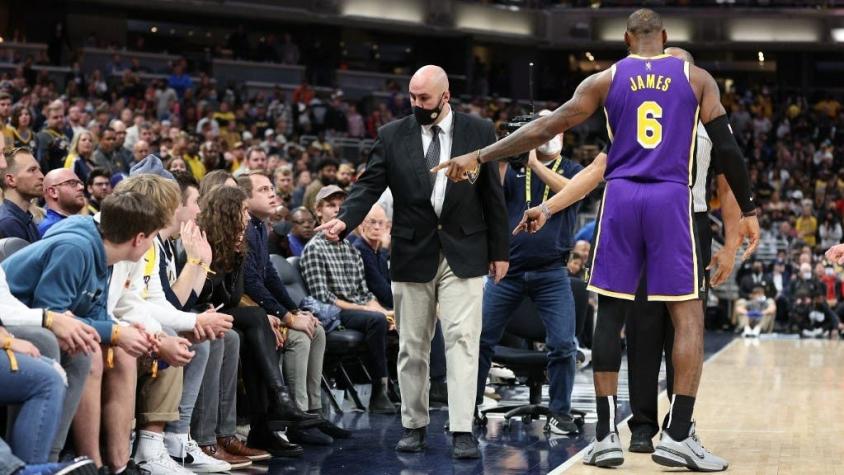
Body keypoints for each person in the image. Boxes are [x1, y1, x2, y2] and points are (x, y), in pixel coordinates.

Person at [433, 9, 761, 471]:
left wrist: (480, 154)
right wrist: (747, 210)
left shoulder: (605, 79)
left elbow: (545, 128)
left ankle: (606, 436)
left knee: (610, 312)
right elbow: (727, 148)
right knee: (688, 317)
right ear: (664, 38)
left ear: (627, 39)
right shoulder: (696, 77)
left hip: (621, 196)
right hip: (672, 198)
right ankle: (680, 433)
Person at [317, 64, 509, 459]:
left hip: (466, 250)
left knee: (463, 340)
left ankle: (461, 428)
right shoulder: (392, 135)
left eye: (424, 98)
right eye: (412, 97)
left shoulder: (479, 131)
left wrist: (500, 251)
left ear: (446, 95)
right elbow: (368, 184)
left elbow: (493, 195)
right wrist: (345, 218)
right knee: (412, 345)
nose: (416, 104)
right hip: (411, 249)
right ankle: (413, 424)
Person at [475, 114, 585, 436]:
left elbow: (574, 193)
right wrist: (511, 150)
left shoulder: (574, 170)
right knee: (479, 339)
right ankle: (467, 410)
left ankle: (559, 413)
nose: (546, 135)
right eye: (539, 130)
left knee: (564, 344)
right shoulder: (514, 168)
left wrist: (536, 163)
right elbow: (489, 186)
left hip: (551, 272)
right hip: (506, 271)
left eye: (551, 129)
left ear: (562, 133)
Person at [193, 184, 319, 458]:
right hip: (197, 311)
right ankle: (278, 401)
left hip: (224, 313)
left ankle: (268, 419)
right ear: (228, 213)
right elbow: (201, 295)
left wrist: (236, 259)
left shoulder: (237, 242)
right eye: (243, 211)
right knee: (256, 317)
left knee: (254, 330)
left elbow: (234, 294)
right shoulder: (201, 241)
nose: (247, 218)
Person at [239, 171, 351, 445]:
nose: (272, 193)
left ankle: (314, 412)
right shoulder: (245, 229)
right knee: (300, 336)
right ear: (245, 198)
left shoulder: (260, 227)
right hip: (246, 309)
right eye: (263, 189)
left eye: (271, 188)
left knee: (316, 330)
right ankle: (297, 417)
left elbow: (271, 277)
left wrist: (294, 310)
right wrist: (287, 317)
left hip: (260, 307)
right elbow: (252, 283)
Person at [301, 186, 396, 415]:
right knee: (376, 321)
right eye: (331, 205)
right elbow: (323, 298)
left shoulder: (350, 249)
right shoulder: (314, 249)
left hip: (358, 309)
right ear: (318, 211)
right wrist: (372, 312)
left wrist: (387, 313)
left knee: (393, 318)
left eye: (340, 206)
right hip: (332, 314)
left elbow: (365, 292)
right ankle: (378, 392)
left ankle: (413, 386)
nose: (336, 211)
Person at [0, 147, 44, 242]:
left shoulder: (25, 216)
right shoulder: (8, 223)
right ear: (11, 180)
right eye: (32, 170)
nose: (41, 176)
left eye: (39, 170)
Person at [39, 168, 86, 236]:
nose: (81, 187)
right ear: (53, 192)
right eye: (72, 183)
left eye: (81, 183)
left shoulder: (68, 224)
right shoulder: (51, 228)